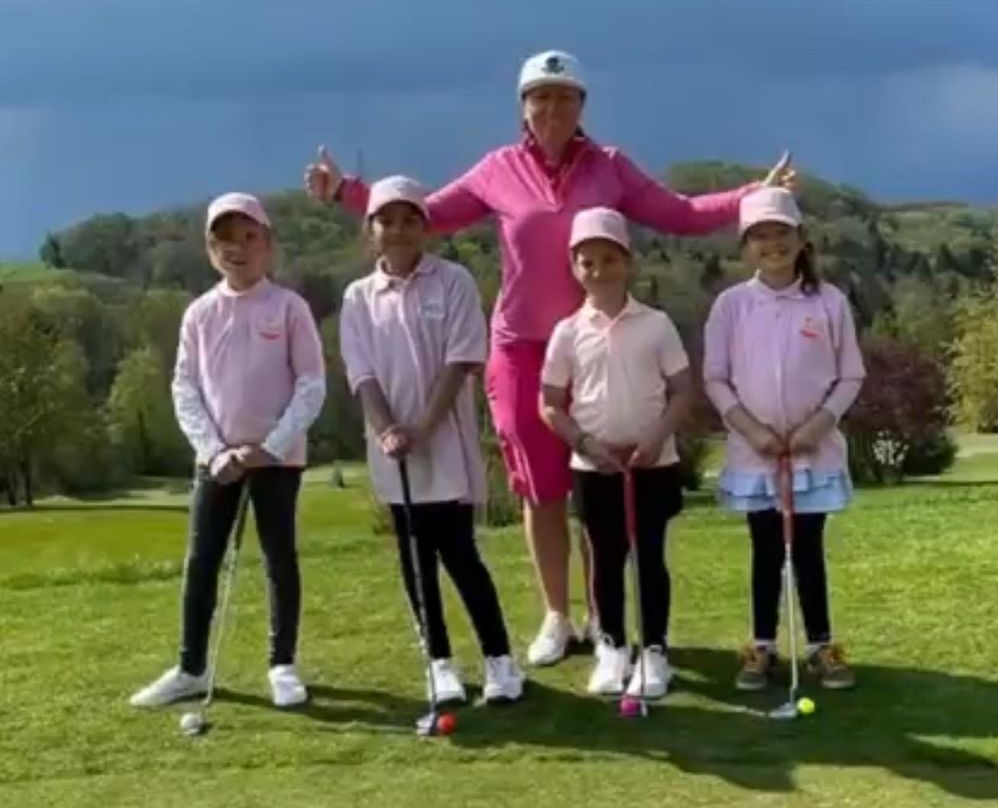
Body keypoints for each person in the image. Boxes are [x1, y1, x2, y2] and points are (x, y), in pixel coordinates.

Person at [306, 49, 795, 666]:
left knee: (595, 486)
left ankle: (602, 617)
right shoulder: (498, 168)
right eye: (540, 96)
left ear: (582, 105)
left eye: (565, 96)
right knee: (542, 490)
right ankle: (557, 616)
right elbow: (424, 215)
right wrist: (345, 193)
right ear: (523, 107)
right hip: (520, 349)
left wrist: (757, 196)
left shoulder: (610, 167)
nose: (553, 107)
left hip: (594, 345)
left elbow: (681, 213)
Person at [130, 192, 326, 709]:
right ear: (210, 249)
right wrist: (215, 451)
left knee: (279, 558)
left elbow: (311, 384)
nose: (237, 249)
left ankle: (282, 665)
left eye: (248, 237)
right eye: (224, 240)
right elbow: (185, 388)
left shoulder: (288, 307)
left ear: (268, 244)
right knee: (202, 561)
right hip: (216, 460)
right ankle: (191, 668)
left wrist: (272, 446)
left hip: (277, 458)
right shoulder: (199, 313)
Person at [339, 175, 525, 704]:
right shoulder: (358, 297)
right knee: (414, 560)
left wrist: (423, 427)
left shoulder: (453, 281)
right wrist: (388, 429)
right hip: (392, 449)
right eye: (386, 221)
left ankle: (500, 660)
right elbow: (362, 374)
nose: (398, 230)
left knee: (460, 554)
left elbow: (460, 360)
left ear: (426, 227)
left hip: (445, 444)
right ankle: (439, 662)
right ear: (371, 229)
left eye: (409, 220)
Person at [702, 187, 864, 692]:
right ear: (746, 245)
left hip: (814, 451)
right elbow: (715, 378)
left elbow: (850, 375)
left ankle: (821, 646)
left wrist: (818, 424)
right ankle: (762, 647)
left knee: (809, 549)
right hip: (756, 454)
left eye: (781, 233)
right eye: (760, 235)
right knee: (766, 549)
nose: (772, 243)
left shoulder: (829, 301)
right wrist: (752, 430)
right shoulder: (731, 305)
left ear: (801, 239)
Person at [540, 207, 691, 699]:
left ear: (627, 262)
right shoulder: (567, 332)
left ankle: (654, 651)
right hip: (594, 465)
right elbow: (550, 403)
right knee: (604, 559)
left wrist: (657, 436)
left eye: (609, 259)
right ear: (574, 268)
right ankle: (611, 646)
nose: (599, 270)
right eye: (587, 262)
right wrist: (584, 443)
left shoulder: (657, 324)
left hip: (653, 461)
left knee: (649, 558)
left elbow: (682, 391)